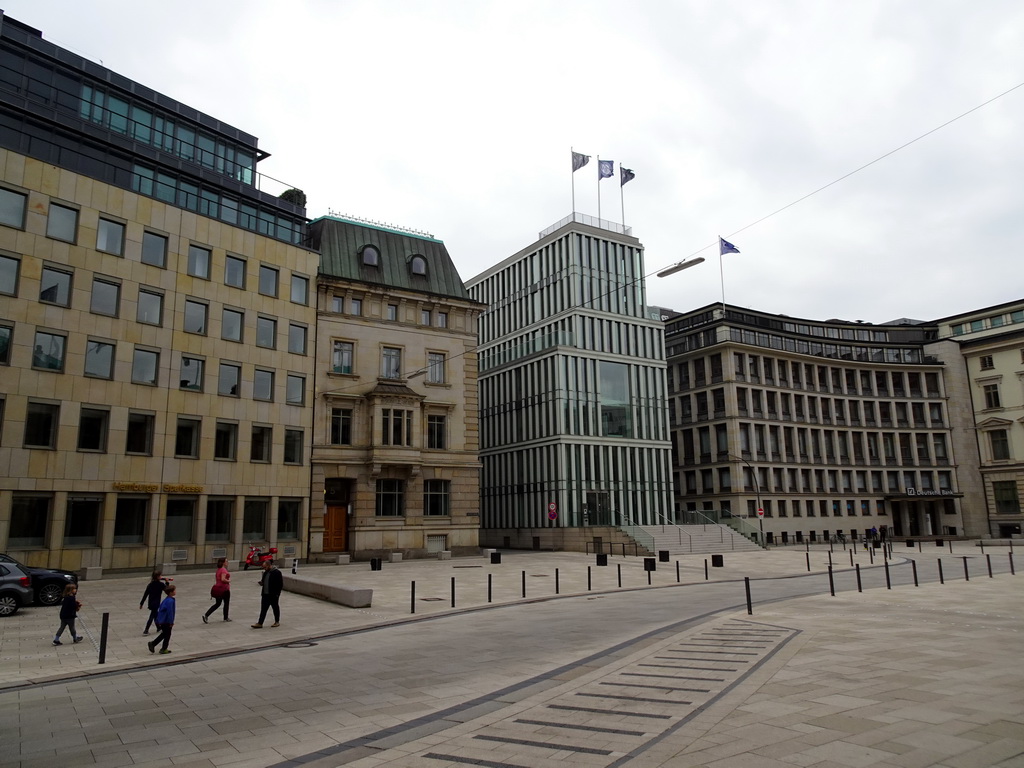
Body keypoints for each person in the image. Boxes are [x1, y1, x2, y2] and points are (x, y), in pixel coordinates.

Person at [251, 558, 282, 629]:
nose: (264, 569)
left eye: (265, 567)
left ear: (269, 565)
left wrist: (277, 594)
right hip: (265, 594)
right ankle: (260, 623)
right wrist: (262, 583)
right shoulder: (265, 573)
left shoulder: (277, 573)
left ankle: (277, 621)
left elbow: (280, 584)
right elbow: (263, 581)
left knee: (275, 607)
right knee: (263, 609)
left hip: (273, 594)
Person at [147, 583, 176, 654]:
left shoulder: (167, 600)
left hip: (163, 620)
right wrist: (171, 622)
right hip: (166, 621)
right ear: (170, 592)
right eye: (174, 591)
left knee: (164, 634)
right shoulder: (170, 601)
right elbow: (170, 612)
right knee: (167, 635)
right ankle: (163, 648)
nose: (175, 592)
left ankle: (153, 644)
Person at [203, 557, 232, 623]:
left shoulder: (218, 569)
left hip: (217, 588)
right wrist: (228, 581)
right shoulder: (223, 570)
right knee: (226, 603)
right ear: (223, 563)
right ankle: (226, 617)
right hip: (224, 589)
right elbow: (223, 579)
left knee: (217, 603)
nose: (227, 563)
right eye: (226, 561)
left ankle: (207, 614)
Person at [139, 570, 165, 635]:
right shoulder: (160, 584)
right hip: (156, 603)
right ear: (157, 577)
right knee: (152, 616)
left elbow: (145, 594)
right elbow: (167, 590)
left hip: (151, 602)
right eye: (160, 576)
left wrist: (141, 603)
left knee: (155, 615)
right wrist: (167, 583)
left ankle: (158, 627)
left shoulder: (150, 585)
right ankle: (146, 630)